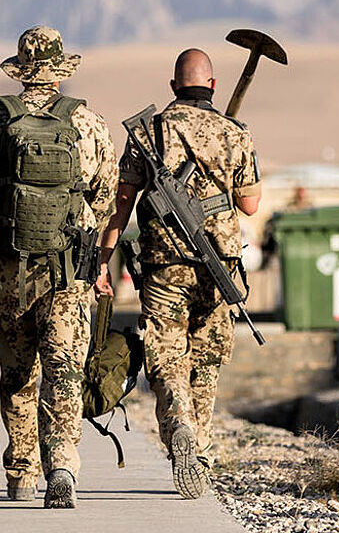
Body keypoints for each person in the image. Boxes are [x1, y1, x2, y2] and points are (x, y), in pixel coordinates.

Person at [0, 25, 117, 508]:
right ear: (62, 71)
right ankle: (62, 461)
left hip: (10, 267)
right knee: (64, 367)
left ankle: (21, 471)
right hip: (70, 270)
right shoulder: (88, 122)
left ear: (21, 70)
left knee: (18, 369)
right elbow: (104, 198)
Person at [95, 47, 262, 499]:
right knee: (205, 360)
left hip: (163, 266)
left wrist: (102, 261)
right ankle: (200, 452)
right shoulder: (235, 133)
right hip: (218, 267)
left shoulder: (149, 130)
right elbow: (250, 204)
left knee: (168, 359)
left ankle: (180, 427)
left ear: (173, 87)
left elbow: (122, 202)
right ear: (212, 86)